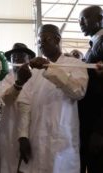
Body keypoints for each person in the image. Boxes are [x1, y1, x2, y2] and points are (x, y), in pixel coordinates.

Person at [17, 24, 88, 173]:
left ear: (57, 39)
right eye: (39, 41)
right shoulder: (35, 72)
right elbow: (24, 103)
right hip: (36, 141)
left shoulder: (75, 64)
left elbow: (78, 91)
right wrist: (23, 135)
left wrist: (50, 69)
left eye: (45, 39)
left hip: (63, 141)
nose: (41, 43)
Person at [0, 43, 35, 173]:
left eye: (22, 56)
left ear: (28, 59)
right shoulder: (6, 79)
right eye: (14, 57)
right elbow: (5, 100)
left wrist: (24, 135)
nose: (17, 59)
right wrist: (19, 83)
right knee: (8, 167)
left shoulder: (36, 78)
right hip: (9, 132)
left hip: (33, 132)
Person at [78, 5, 103, 173]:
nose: (80, 23)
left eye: (84, 19)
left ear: (100, 18)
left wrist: (99, 130)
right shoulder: (94, 44)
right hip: (88, 123)